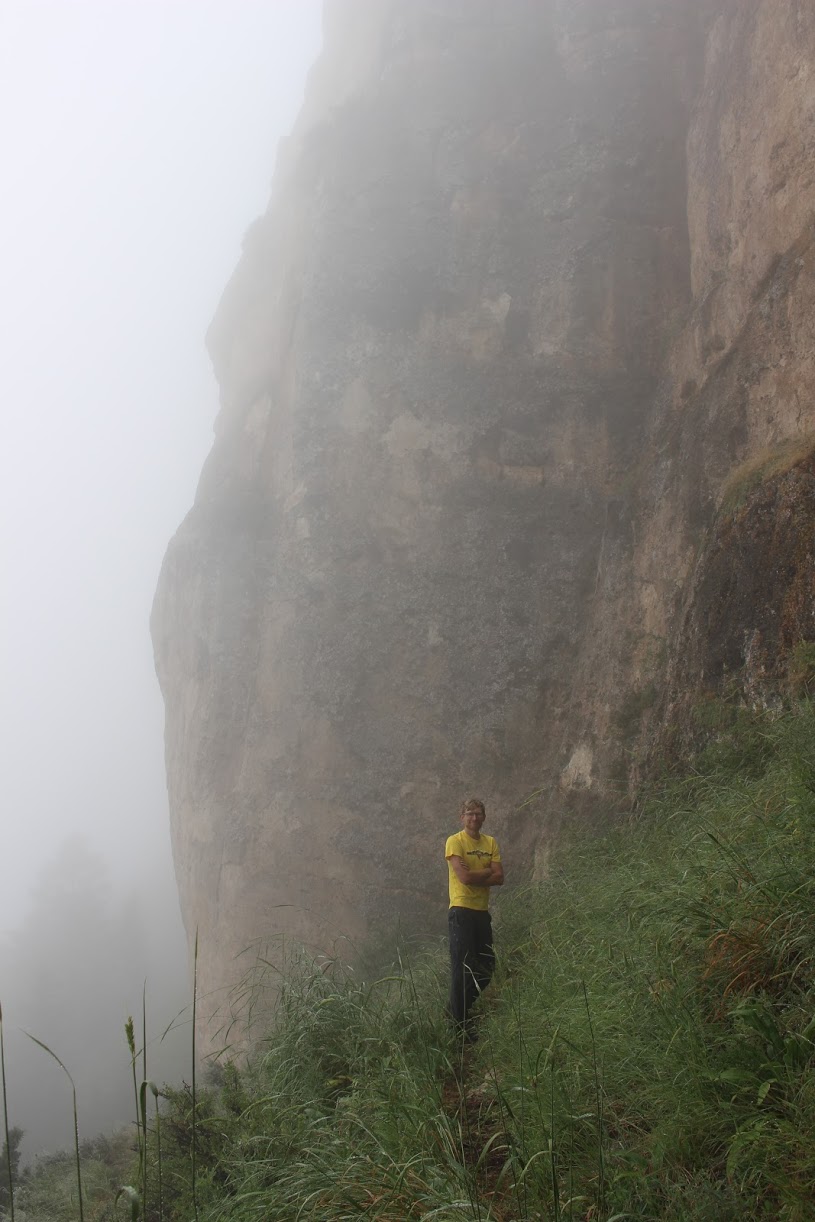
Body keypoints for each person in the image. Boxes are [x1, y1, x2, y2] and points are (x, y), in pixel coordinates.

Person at [445, 797, 504, 1036]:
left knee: (487, 967)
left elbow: (500, 877)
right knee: (462, 968)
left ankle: (455, 1009)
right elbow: (465, 878)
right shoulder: (454, 842)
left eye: (478, 813)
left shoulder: (491, 842)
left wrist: (484, 873)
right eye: (469, 813)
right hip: (460, 910)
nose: (474, 817)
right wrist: (487, 871)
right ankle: (459, 1025)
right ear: (462, 817)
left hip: (481, 912)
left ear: (484, 817)